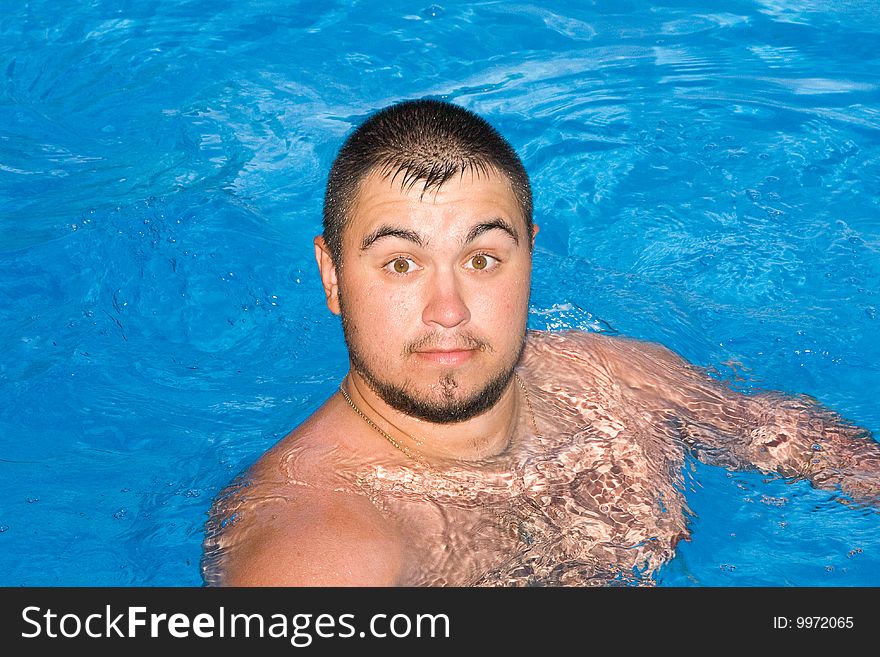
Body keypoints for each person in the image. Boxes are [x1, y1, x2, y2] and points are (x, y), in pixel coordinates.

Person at [202, 98, 879, 586]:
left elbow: (803, 444)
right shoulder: (319, 546)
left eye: (483, 258)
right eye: (400, 264)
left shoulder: (616, 380)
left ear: (532, 254)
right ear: (332, 275)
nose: (447, 310)